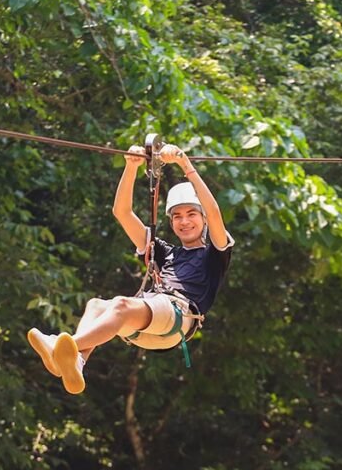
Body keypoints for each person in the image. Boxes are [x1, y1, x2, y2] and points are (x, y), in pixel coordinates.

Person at [27, 142, 234, 394]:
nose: (184, 221)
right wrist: (131, 167)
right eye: (177, 216)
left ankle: (64, 347)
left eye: (192, 214)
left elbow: (214, 211)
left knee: (121, 305)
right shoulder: (165, 253)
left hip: (178, 319)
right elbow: (122, 212)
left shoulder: (215, 253)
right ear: (171, 221)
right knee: (95, 304)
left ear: (202, 219)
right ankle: (78, 360)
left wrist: (185, 164)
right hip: (148, 326)